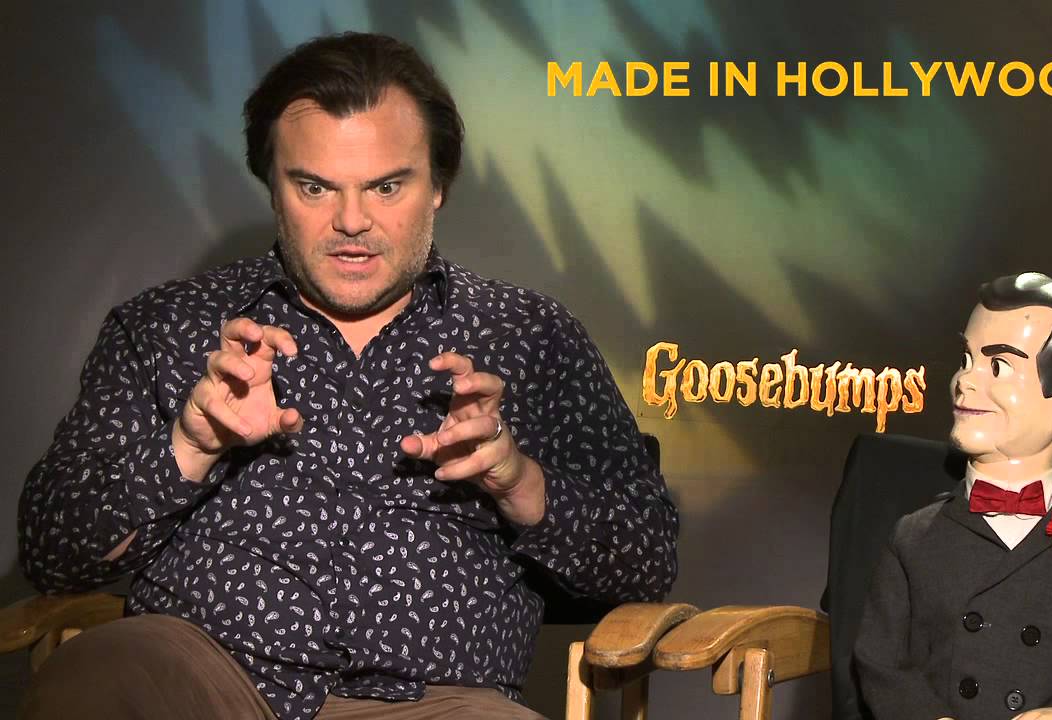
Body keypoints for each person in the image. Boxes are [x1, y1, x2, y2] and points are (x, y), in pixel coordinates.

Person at [18, 32, 678, 720]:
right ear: (272, 186)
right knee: (103, 667)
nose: (352, 222)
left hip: (441, 703)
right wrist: (190, 445)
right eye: (314, 187)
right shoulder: (167, 327)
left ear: (438, 186)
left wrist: (520, 482)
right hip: (206, 684)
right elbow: (53, 554)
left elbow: (647, 560)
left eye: (387, 186)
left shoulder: (531, 335)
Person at [853, 273, 1052, 720]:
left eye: (998, 366)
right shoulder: (913, 536)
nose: (964, 381)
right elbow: (880, 659)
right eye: (966, 359)